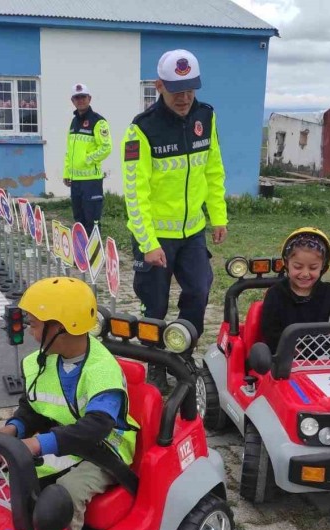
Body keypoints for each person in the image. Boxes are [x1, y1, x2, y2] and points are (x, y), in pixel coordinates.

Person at [0, 277, 138, 530]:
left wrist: (38, 444)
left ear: (59, 328)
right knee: (9, 474)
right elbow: (34, 406)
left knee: (67, 493)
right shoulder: (45, 360)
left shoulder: (101, 370)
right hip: (66, 440)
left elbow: (97, 426)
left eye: (34, 324)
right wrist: (15, 427)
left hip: (105, 449)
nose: (30, 331)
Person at [122, 49, 228, 390]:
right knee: (154, 304)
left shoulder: (206, 117)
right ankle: (154, 362)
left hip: (192, 232)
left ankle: (182, 352)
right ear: (159, 86)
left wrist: (218, 217)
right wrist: (148, 243)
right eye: (175, 90)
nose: (184, 98)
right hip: (155, 237)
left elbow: (213, 171)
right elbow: (135, 193)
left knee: (199, 289)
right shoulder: (141, 129)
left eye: (190, 89)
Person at [259, 228, 330, 353]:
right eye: (298, 267)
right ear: (286, 263)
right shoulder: (276, 293)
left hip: (321, 358)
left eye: (313, 267)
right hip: (285, 358)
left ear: (323, 266)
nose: (305, 274)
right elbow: (270, 331)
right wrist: (290, 348)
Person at [62, 83, 111, 236]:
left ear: (89, 98)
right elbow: (70, 151)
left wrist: (88, 159)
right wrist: (67, 173)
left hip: (91, 181)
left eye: (83, 97)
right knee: (79, 221)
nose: (80, 100)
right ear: (72, 101)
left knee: (92, 222)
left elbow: (106, 147)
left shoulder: (98, 121)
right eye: (77, 98)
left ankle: (95, 257)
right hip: (75, 181)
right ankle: (82, 257)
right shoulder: (74, 122)